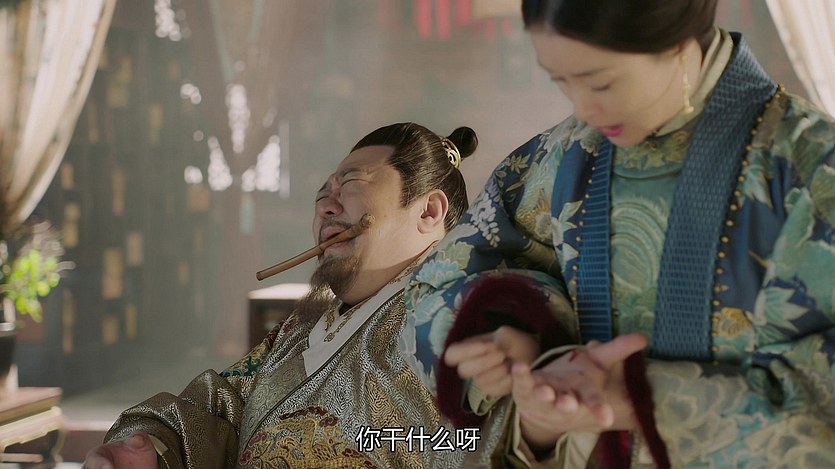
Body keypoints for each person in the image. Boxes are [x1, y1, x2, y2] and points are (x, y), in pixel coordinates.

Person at [406, 0, 835, 467]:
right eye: (561, 81)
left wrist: (640, 397)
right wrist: (518, 340)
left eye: (601, 82)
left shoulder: (813, 167)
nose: (583, 109)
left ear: (676, 43)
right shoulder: (567, 153)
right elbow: (436, 285)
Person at [83, 122, 500, 468]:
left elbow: (482, 442)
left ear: (428, 211)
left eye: (351, 183)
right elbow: (219, 412)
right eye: (322, 194)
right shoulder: (301, 332)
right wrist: (151, 448)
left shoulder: (463, 320)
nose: (325, 207)